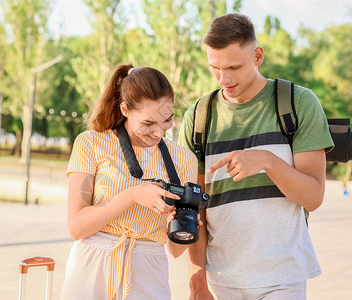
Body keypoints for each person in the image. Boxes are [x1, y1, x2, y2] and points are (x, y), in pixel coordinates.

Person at [178, 13, 334, 300]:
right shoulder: (198, 117)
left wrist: (267, 161)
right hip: (219, 280)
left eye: (234, 67)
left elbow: (313, 196)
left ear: (258, 55)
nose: (224, 79)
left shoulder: (298, 103)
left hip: (282, 278)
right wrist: (196, 281)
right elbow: (192, 207)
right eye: (215, 67)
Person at [61, 63, 198, 300]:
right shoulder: (90, 143)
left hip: (149, 272)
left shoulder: (184, 159)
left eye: (167, 120)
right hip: (92, 268)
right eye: (148, 123)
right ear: (125, 109)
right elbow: (76, 227)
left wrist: (188, 226)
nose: (158, 132)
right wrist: (133, 195)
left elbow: (175, 251)